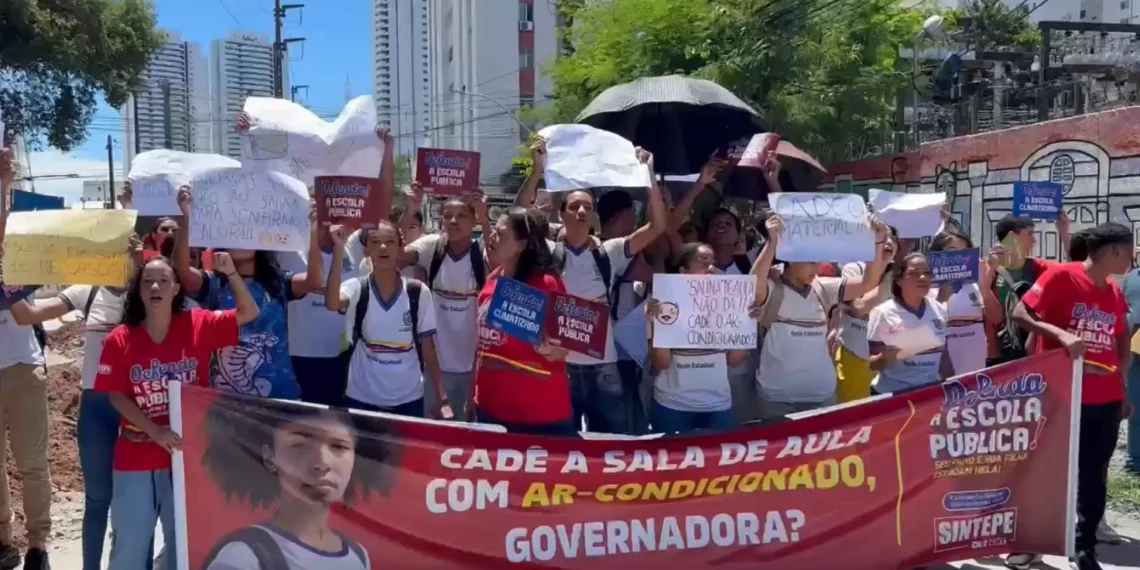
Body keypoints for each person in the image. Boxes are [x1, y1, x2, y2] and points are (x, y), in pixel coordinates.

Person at [95, 253, 259, 570]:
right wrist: (155, 431)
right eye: (147, 281)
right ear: (139, 291)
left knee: (183, 547)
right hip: (135, 458)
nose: (155, 286)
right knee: (130, 547)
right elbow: (116, 395)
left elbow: (248, 312)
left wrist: (231, 273)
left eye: (163, 280)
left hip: (186, 459)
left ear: (176, 289)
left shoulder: (198, 325)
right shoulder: (121, 338)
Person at [7, 234, 145, 570]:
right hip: (97, 409)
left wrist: (140, 265)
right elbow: (28, 316)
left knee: (137, 501)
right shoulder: (88, 290)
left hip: (140, 409)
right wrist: (7, 286)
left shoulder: (149, 290)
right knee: (97, 500)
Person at [515, 144, 667, 434]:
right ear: (561, 215)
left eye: (588, 206)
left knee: (611, 444)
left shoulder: (611, 251)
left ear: (595, 216)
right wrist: (537, 170)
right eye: (574, 206)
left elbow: (657, 226)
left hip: (604, 367)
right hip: (560, 367)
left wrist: (648, 174)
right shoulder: (547, 251)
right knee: (564, 442)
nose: (582, 210)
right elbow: (518, 218)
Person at [1007, 223, 1134, 570]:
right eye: (1130, 250)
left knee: (1094, 477)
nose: (1133, 257)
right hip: (1062, 395)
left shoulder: (1113, 289)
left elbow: (1121, 335)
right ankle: (1031, 543)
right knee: (1048, 472)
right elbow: (1020, 313)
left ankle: (1084, 548)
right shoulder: (1062, 276)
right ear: (1114, 251)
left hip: (1106, 400)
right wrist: (1060, 335)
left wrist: (1121, 383)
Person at [199, 394, 395, 570]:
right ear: (269, 457)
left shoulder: (357, 555)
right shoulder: (243, 557)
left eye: (339, 446)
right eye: (300, 445)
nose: (322, 463)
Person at [174, 185, 323, 399]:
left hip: (280, 394)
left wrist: (313, 232)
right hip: (226, 397)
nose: (240, 238)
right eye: (233, 232)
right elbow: (181, 269)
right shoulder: (213, 284)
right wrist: (187, 217)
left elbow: (315, 281)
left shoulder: (279, 282)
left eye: (247, 231)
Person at [750, 213, 890, 419]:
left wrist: (877, 242)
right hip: (776, 398)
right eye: (811, 261)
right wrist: (772, 242)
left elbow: (867, 282)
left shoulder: (824, 288)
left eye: (818, 261)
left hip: (822, 397)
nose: (816, 268)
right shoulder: (772, 289)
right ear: (790, 257)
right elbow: (752, 287)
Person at [325, 221, 449, 418]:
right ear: (367, 250)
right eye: (375, 242)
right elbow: (332, 303)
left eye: (390, 242)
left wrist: (442, 399)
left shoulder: (418, 292)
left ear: (400, 248)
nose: (383, 247)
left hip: (408, 399)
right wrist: (338, 249)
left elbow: (428, 349)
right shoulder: (357, 287)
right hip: (362, 397)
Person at [470, 207, 575, 435]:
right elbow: (481, 348)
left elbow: (564, 345)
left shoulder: (547, 284)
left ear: (521, 245)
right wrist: (473, 396)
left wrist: (551, 349)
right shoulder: (492, 280)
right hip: (490, 410)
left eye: (501, 234)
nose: (491, 237)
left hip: (538, 415)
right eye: (493, 231)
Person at [0, 149, 52, 570]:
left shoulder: (16, 256)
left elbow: (8, 234)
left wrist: (3, 185)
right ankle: (3, 540)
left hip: (22, 367)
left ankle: (39, 544)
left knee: (32, 463)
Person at [398, 186, 490, 418]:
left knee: (470, 432)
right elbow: (393, 257)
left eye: (461, 216)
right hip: (435, 368)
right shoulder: (432, 246)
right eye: (447, 216)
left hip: (475, 370)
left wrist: (485, 217)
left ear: (474, 222)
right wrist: (410, 211)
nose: (453, 221)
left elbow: (501, 262)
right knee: (432, 430)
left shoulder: (482, 251)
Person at [646, 243, 748, 433]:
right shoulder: (662, 305)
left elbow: (735, 359)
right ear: (683, 270)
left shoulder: (729, 304)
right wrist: (655, 324)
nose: (711, 268)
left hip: (717, 406)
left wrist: (746, 321)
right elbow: (662, 363)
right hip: (673, 405)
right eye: (703, 263)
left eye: (713, 263)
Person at [834, 227, 907, 403]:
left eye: (893, 239)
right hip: (854, 355)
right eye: (883, 238)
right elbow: (859, 307)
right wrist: (887, 281)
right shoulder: (854, 269)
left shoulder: (900, 276)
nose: (889, 242)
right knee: (853, 413)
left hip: (887, 360)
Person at [988, 213, 1069, 365]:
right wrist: (991, 270)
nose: (1034, 240)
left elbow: (1072, 274)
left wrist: (1064, 235)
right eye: (1030, 234)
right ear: (1012, 237)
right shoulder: (988, 269)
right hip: (996, 354)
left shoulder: (1036, 267)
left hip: (1030, 351)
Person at [867, 252, 953, 394]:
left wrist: (950, 386)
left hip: (930, 391)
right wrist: (885, 357)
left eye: (927, 272)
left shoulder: (939, 309)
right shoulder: (883, 313)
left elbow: (944, 356)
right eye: (914, 273)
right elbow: (872, 364)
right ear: (899, 280)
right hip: (894, 394)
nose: (923, 277)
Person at [927, 230, 1003, 376]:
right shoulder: (928, 285)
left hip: (975, 367)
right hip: (942, 369)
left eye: (965, 251)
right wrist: (942, 297)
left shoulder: (974, 284)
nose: (959, 257)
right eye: (953, 251)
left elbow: (996, 318)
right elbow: (927, 324)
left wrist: (983, 285)